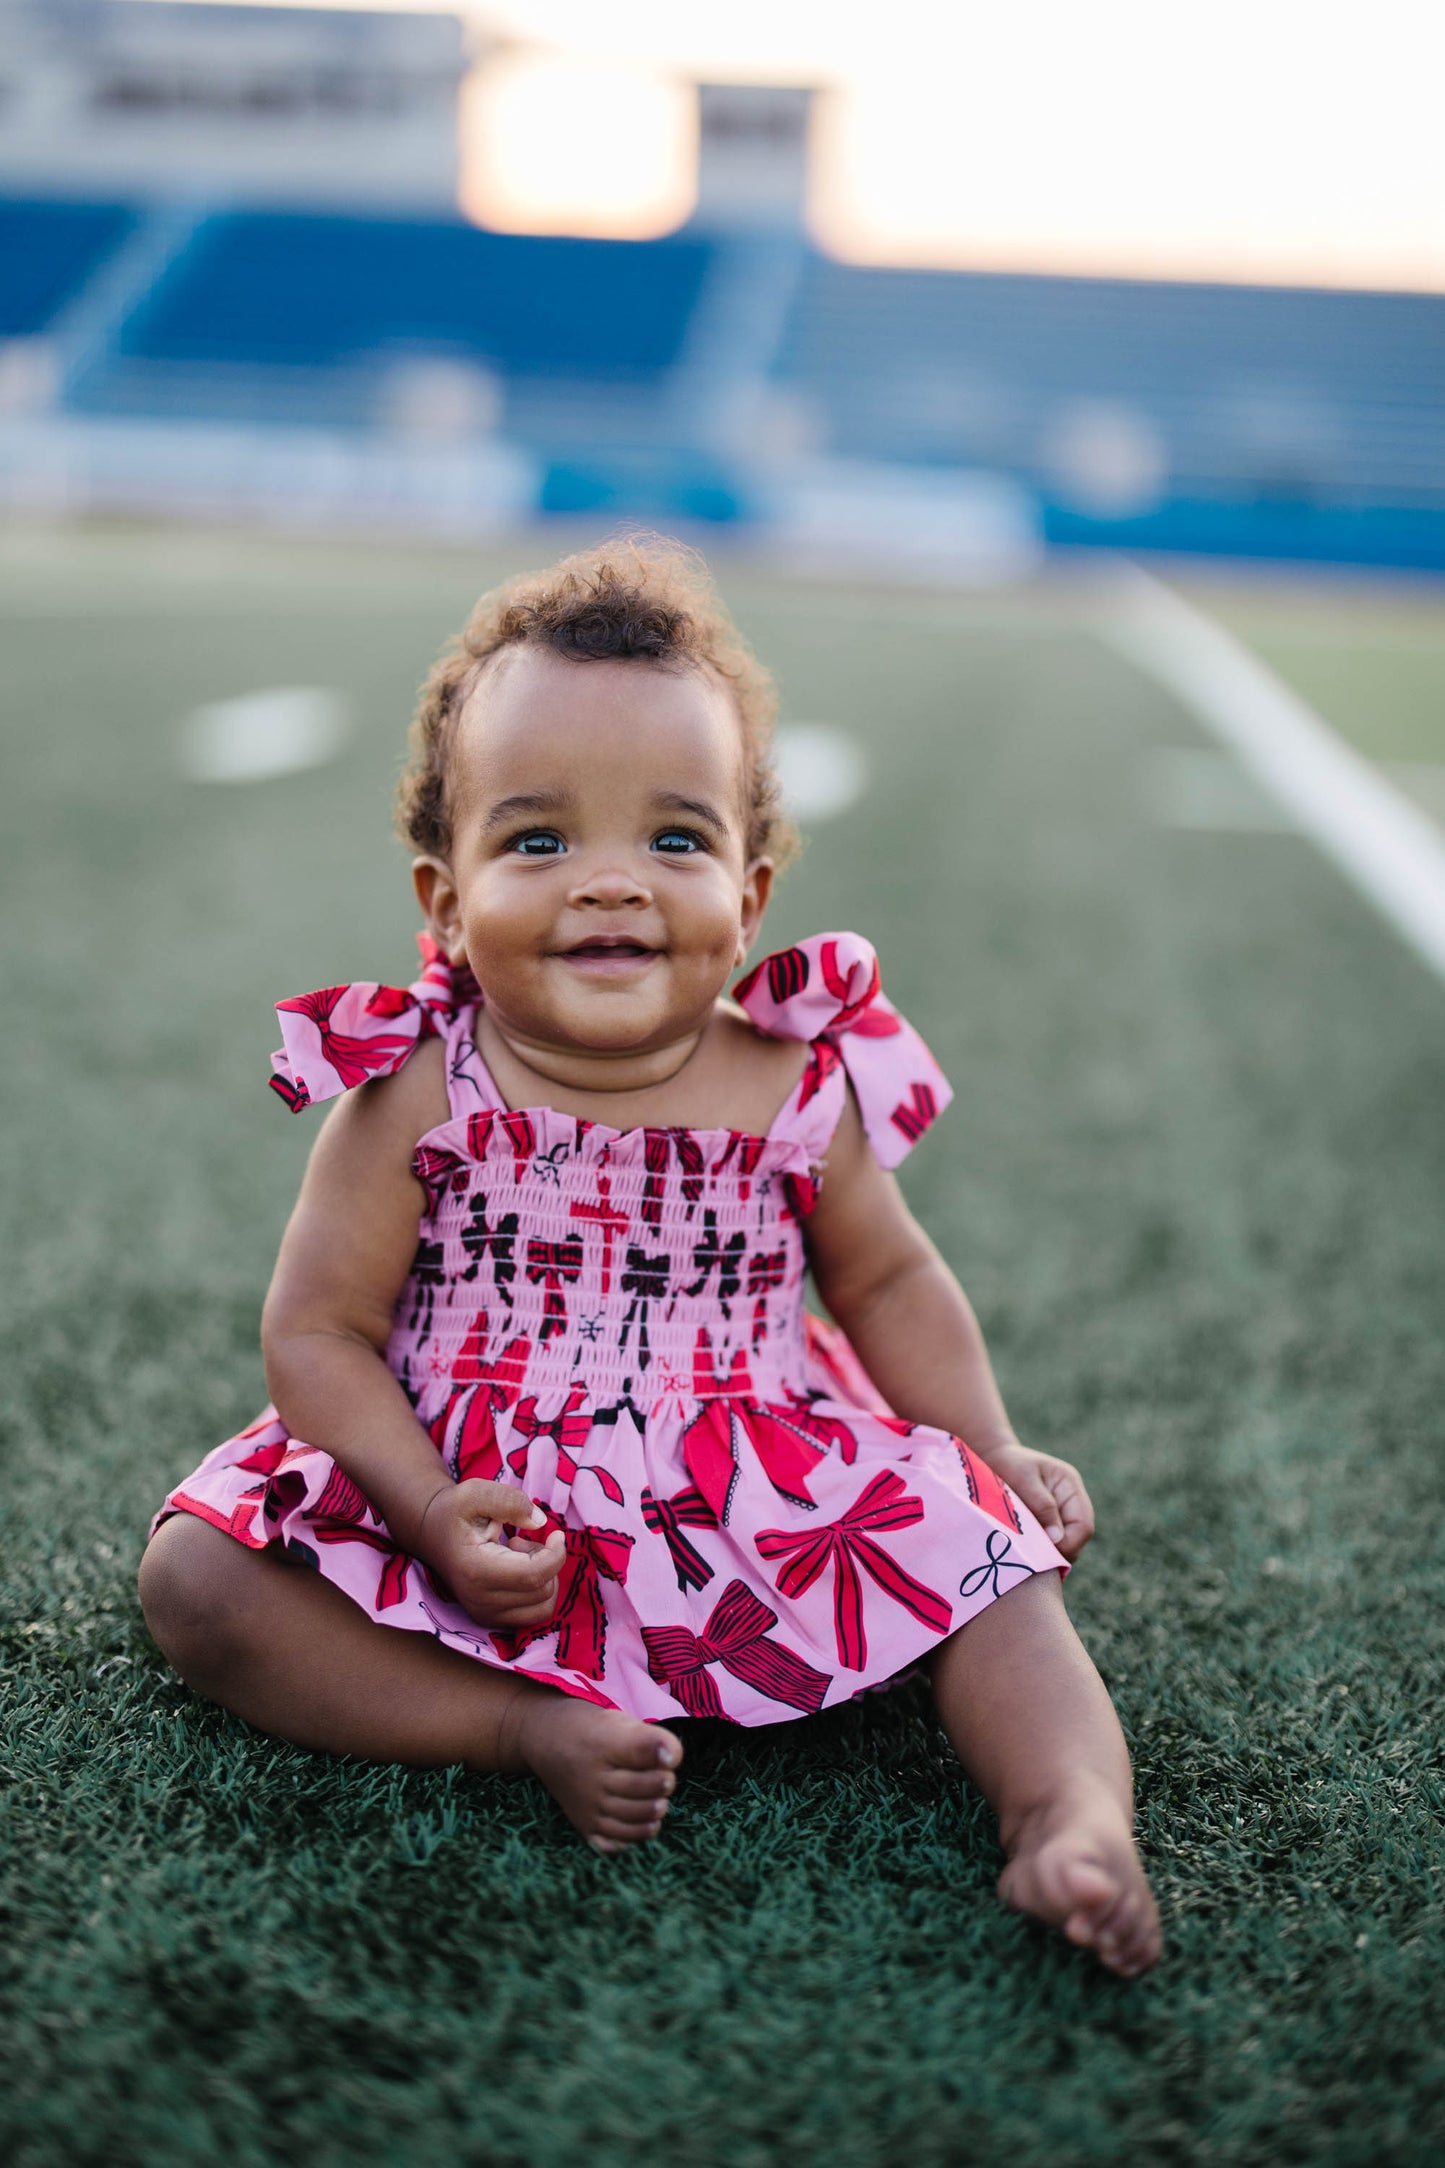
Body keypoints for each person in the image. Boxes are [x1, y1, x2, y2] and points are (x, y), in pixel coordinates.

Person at [139, 539, 1162, 1978]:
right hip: (478, 1482)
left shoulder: (798, 1085)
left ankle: (1070, 1816)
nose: (610, 885)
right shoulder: (417, 1088)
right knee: (198, 1580)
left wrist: (985, 1442)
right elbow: (317, 1331)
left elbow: (883, 1283)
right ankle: (514, 1724)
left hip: (758, 1480)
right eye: (539, 839)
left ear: (746, 900)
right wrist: (428, 1511)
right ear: (444, 898)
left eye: (672, 841)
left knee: (997, 1573)